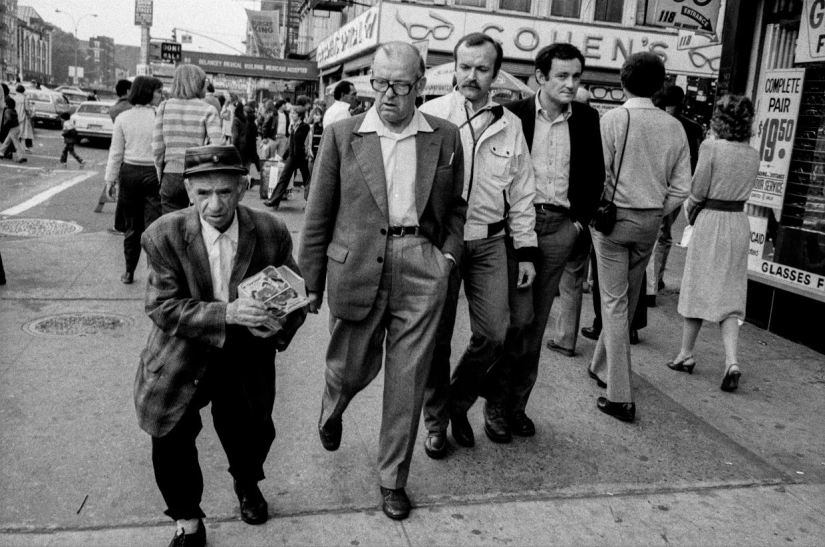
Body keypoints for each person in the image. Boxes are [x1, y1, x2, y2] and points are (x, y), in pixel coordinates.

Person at [299, 42, 466, 521]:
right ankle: (333, 407)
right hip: (355, 264)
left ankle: (393, 479)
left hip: (421, 263)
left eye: (399, 85)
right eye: (379, 83)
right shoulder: (342, 135)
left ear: (420, 84)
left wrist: (447, 257)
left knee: (407, 379)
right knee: (348, 366)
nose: (387, 95)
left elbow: (455, 207)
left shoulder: (445, 136)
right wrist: (309, 280)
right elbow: (317, 213)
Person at [135, 145, 307, 547]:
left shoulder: (271, 231)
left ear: (243, 188)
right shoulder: (163, 235)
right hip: (181, 355)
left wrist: (278, 326)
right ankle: (187, 520)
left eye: (225, 192)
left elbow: (294, 295)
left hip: (246, 355)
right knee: (171, 437)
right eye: (203, 193)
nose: (214, 204)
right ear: (188, 190)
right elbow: (162, 307)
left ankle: (246, 483)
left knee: (252, 432)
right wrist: (226, 314)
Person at [418, 32, 537, 456]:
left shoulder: (511, 124)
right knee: (437, 338)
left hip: (490, 242)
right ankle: (435, 424)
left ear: (495, 73)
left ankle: (456, 403)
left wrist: (525, 251)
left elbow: (522, 193)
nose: (471, 76)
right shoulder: (430, 116)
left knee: (494, 334)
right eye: (464, 66)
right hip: (441, 245)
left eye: (482, 68)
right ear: (454, 67)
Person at [488, 43, 604, 432]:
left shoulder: (587, 119)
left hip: (558, 229)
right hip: (515, 230)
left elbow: (594, 177)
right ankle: (495, 407)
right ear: (540, 77)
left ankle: (517, 406)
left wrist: (576, 226)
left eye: (576, 77)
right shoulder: (515, 115)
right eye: (562, 76)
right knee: (511, 324)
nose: (571, 84)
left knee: (535, 328)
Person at [588, 52, 691, 422]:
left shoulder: (613, 119)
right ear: (660, 85)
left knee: (613, 303)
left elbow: (599, 174)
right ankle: (602, 365)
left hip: (613, 222)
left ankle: (620, 394)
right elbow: (682, 188)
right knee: (628, 297)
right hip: (650, 222)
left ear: (622, 80)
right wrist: (656, 210)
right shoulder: (674, 128)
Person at [667, 95, 759, 392]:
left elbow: (697, 191)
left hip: (711, 219)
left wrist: (691, 216)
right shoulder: (752, 154)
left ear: (719, 120)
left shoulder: (711, 148)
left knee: (696, 285)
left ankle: (686, 353)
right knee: (730, 291)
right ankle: (731, 360)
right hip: (738, 223)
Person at [646, 84, 706, 305]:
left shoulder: (663, 125)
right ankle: (656, 279)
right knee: (663, 233)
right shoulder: (693, 128)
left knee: (659, 232)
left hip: (667, 182)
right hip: (680, 183)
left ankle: (652, 281)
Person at [104, 76, 164, 285]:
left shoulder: (123, 118)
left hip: (129, 174)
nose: (161, 95)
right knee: (153, 226)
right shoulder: (159, 117)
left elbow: (116, 152)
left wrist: (110, 180)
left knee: (132, 226)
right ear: (147, 92)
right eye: (157, 91)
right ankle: (153, 273)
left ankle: (129, 271)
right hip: (153, 175)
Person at [153, 64, 223, 214]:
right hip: (198, 175)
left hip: (170, 174)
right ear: (197, 83)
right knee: (198, 222)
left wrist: (160, 173)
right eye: (204, 82)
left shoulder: (164, 107)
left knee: (171, 224)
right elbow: (218, 146)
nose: (206, 86)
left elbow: (158, 147)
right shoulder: (208, 109)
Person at [96, 79, 133, 233]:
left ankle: (120, 224)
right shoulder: (131, 108)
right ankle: (122, 225)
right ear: (127, 91)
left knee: (120, 188)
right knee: (125, 193)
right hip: (131, 153)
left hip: (120, 152)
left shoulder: (114, 109)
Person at [264, 106, 310, 209]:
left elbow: (305, 143)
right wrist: (283, 156)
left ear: (300, 116)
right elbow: (290, 143)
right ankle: (273, 200)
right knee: (283, 178)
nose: (292, 115)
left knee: (307, 180)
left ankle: (310, 203)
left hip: (302, 157)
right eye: (292, 113)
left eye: (294, 113)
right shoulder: (292, 126)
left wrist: (308, 155)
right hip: (292, 157)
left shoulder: (305, 127)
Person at [0, 97, 27, 163]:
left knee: (16, 143)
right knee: (7, 141)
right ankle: (1, 152)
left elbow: (8, 119)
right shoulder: (13, 110)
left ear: (7, 104)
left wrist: (4, 125)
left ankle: (20, 156)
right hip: (17, 127)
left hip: (13, 128)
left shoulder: (7, 111)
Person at [13, 85, 34, 151]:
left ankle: (16, 146)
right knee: (27, 133)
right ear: (23, 90)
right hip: (24, 117)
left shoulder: (14, 97)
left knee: (17, 132)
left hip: (16, 116)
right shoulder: (25, 98)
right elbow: (27, 109)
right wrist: (29, 116)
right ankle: (27, 147)